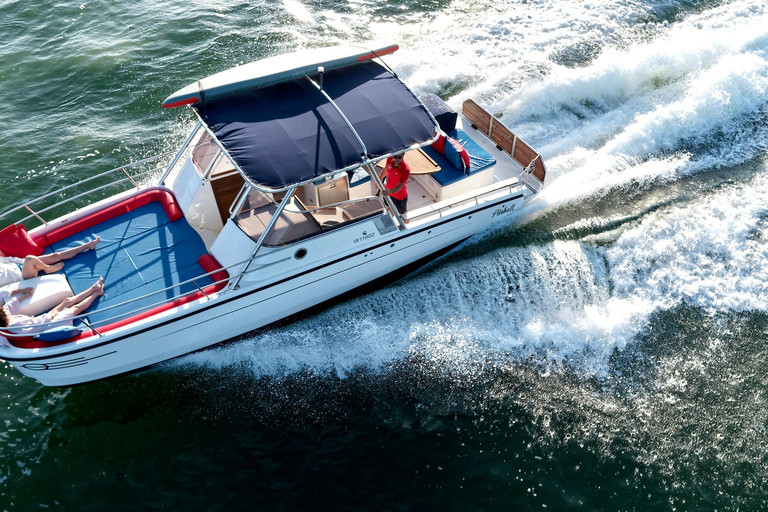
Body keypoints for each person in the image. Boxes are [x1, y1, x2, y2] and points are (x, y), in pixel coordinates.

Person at [0, 277, 104, 329]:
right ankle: (97, 293)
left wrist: (23, 296)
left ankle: (93, 288)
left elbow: (8, 307)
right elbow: (35, 325)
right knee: (75, 308)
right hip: (48, 325)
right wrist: (51, 316)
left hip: (46, 320)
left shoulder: (8, 318)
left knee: (67, 301)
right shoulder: (15, 325)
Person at [0, 236, 100, 287]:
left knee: (56, 256)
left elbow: (10, 260)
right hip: (24, 277)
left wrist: (21, 262)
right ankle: (48, 269)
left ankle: (87, 245)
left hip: (22, 265)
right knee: (30, 259)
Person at [381, 153, 410, 224]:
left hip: (399, 196)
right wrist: (379, 179)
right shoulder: (389, 159)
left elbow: (400, 186)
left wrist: (389, 191)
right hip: (387, 191)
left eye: (399, 157)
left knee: (402, 213)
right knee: (388, 206)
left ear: (403, 155)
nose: (397, 159)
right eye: (395, 156)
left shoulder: (406, 169)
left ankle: (406, 224)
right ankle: (391, 220)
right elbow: (386, 169)